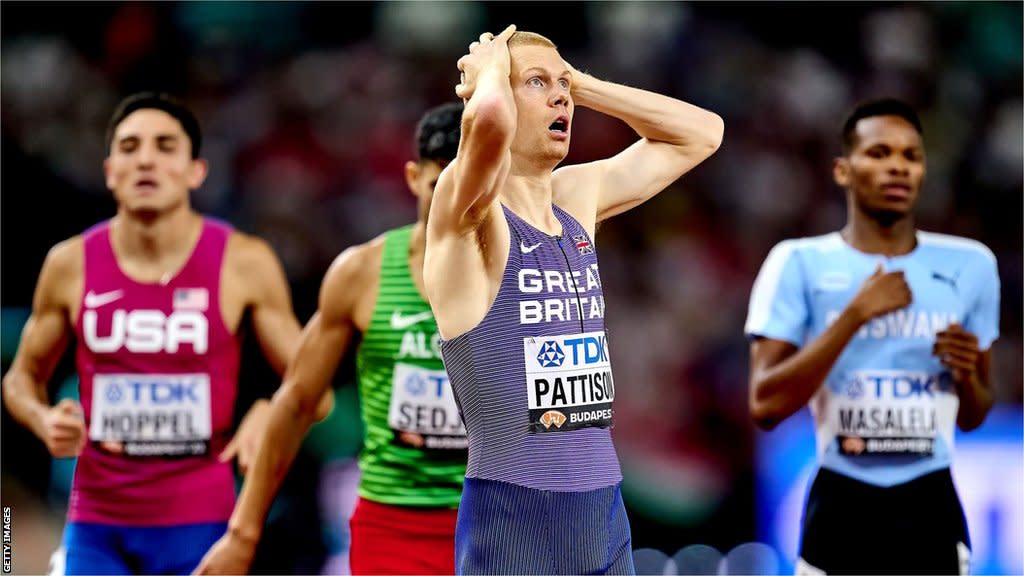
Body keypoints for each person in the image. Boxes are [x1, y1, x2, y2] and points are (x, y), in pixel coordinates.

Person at [423, 25, 724, 574]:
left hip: (602, 505)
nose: (561, 97)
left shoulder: (576, 199)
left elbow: (702, 134)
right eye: (536, 83)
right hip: (514, 508)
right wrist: (488, 73)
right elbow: (488, 124)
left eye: (563, 86)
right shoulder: (466, 213)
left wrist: (578, 84)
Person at [1, 91, 329, 575]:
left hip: (201, 526)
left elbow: (313, 392)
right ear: (110, 170)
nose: (147, 160)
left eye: (165, 146)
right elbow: (20, 378)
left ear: (196, 171)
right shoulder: (70, 264)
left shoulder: (244, 263)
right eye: (130, 147)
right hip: (97, 527)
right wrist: (40, 417)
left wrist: (267, 413)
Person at [194, 102, 468, 575]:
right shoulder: (361, 274)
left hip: (493, 523)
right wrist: (242, 535)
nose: (453, 201)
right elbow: (297, 402)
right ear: (411, 178)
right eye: (437, 184)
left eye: (470, 183)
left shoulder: (523, 275)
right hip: (393, 525)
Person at [745, 98, 1000, 575]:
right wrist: (854, 316)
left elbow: (975, 415)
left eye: (911, 156)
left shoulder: (972, 265)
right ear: (843, 170)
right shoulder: (798, 262)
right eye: (880, 153)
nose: (898, 168)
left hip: (932, 509)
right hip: (840, 508)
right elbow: (765, 405)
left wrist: (967, 376)